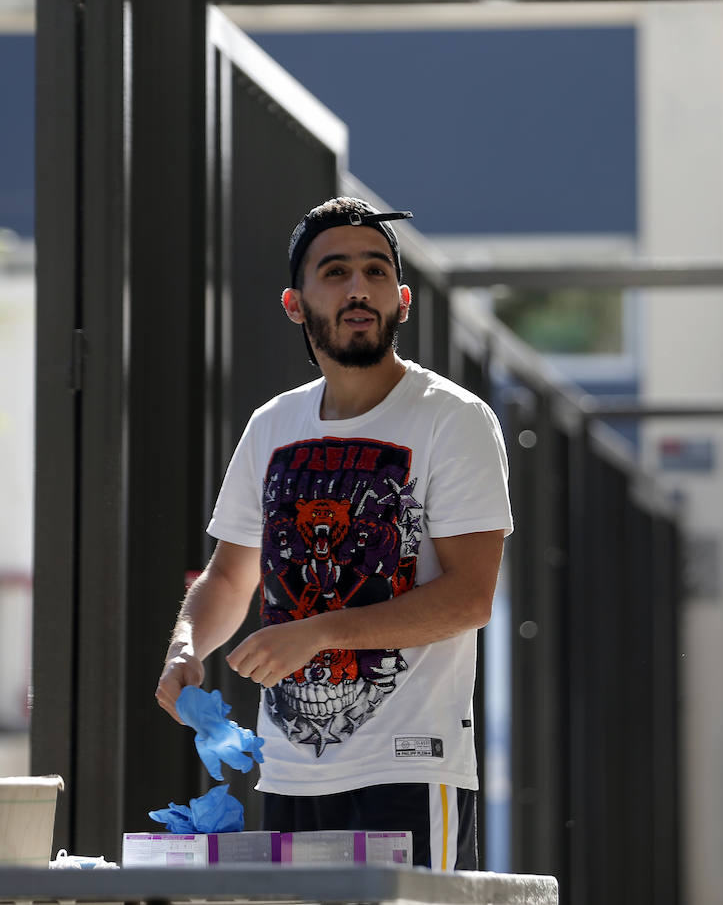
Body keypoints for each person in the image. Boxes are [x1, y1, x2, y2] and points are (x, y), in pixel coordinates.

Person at [155, 196, 513, 871]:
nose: (359, 288)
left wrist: (318, 631)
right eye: (337, 271)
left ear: (402, 300)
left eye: (377, 272)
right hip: (289, 774)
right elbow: (231, 576)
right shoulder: (272, 426)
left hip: (411, 771)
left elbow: (471, 598)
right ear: (295, 304)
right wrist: (185, 649)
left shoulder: (453, 420)